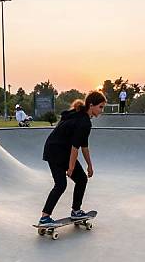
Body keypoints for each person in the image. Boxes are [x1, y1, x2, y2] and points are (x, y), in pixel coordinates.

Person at [38, 91, 106, 226]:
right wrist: (71, 167)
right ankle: (45, 218)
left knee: (81, 179)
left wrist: (90, 165)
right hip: (56, 152)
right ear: (91, 105)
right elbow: (75, 148)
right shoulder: (84, 121)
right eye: (100, 107)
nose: (102, 110)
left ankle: (76, 211)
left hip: (56, 149)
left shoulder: (81, 116)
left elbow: (84, 146)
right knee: (61, 185)